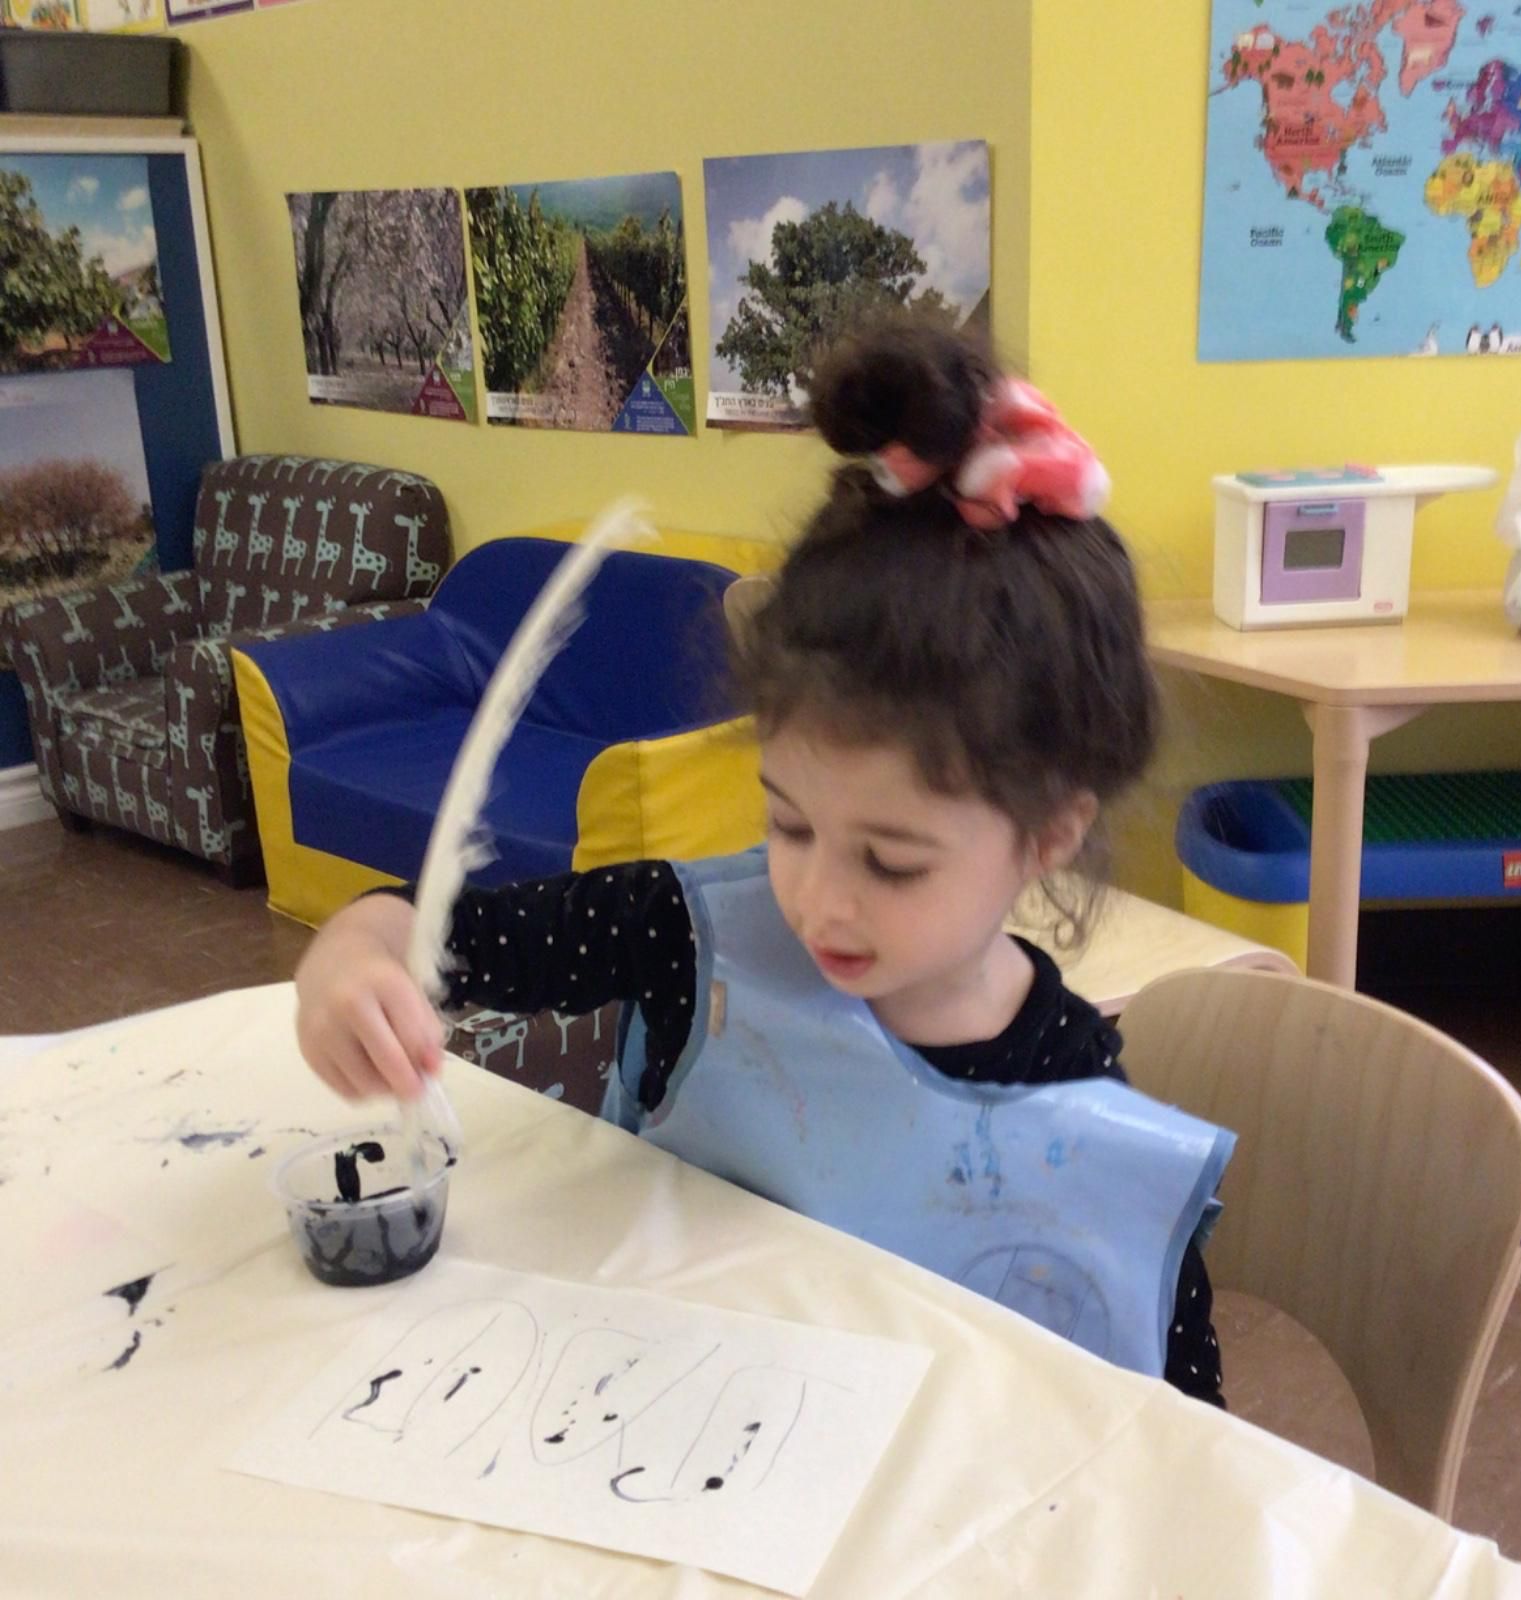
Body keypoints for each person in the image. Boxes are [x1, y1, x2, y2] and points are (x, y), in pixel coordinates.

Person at [294, 319, 1234, 1404]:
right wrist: (353, 961)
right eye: (788, 824)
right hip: (650, 1443)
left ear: (1050, 835)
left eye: (890, 861)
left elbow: (1186, 1434)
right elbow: (422, 934)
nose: (817, 898)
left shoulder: (1077, 1102)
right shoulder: (688, 939)